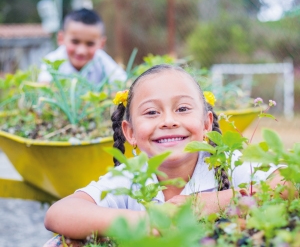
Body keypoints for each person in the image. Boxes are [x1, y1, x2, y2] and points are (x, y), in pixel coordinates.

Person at [43, 64, 286, 246]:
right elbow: (59, 213)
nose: (169, 121)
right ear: (130, 133)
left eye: (182, 109)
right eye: (151, 112)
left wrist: (209, 203)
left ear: (206, 124)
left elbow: (289, 183)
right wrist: (147, 222)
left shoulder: (227, 162)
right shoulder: (131, 176)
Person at [38, 8, 127, 86]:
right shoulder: (52, 61)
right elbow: (44, 85)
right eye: (75, 42)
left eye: (90, 44)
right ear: (61, 38)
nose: (81, 51)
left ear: (101, 44)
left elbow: (122, 81)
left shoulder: (101, 59)